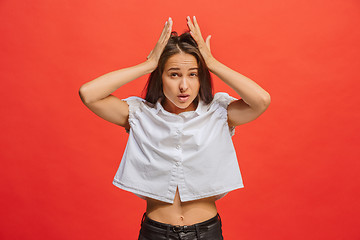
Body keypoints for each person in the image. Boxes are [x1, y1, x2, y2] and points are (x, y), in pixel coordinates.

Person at [79, 16, 270, 240]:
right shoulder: (140, 114)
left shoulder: (218, 113)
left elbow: (261, 100)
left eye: (193, 75)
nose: (184, 86)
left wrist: (212, 63)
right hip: (155, 233)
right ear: (161, 77)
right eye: (174, 74)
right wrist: (148, 65)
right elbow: (88, 94)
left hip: (206, 233)